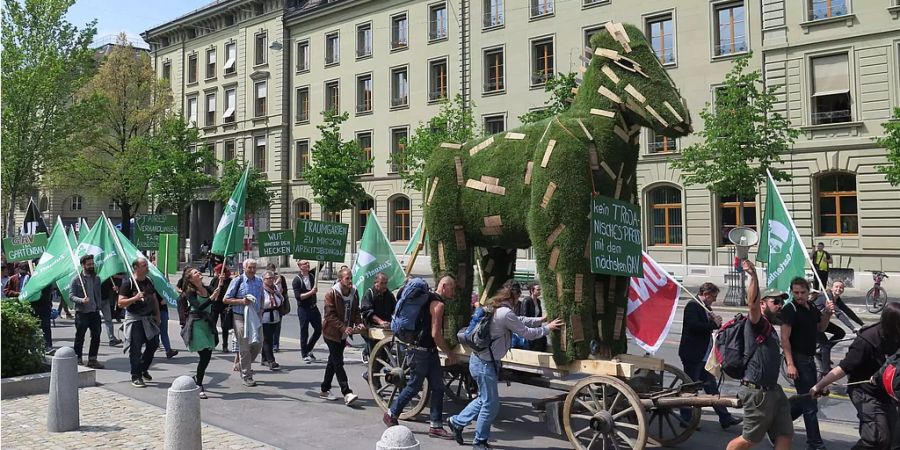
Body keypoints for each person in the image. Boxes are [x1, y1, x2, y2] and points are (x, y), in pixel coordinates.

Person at [448, 281, 563, 449]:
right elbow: (526, 333)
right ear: (514, 296)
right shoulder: (505, 313)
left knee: (484, 399)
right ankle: (479, 442)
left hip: (480, 361)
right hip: (485, 365)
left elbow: (519, 320)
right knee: (491, 405)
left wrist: (540, 320)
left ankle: (457, 422)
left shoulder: (497, 307)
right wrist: (548, 328)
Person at [810, 302, 900, 449]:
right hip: (864, 391)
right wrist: (820, 385)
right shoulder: (867, 340)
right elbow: (843, 367)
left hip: (886, 392)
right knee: (876, 437)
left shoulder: (896, 336)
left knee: (892, 437)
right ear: (892, 323)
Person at [726, 260, 792, 450]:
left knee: (785, 435)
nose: (780, 305)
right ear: (763, 304)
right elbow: (752, 306)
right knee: (749, 440)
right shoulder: (757, 323)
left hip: (773, 390)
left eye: (782, 302)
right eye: (776, 301)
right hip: (757, 392)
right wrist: (753, 276)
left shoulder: (770, 327)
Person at [383, 275, 458, 440]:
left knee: (438, 387)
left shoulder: (427, 299)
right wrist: (448, 352)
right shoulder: (438, 304)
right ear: (444, 286)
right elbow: (435, 334)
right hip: (421, 352)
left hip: (427, 351)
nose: (454, 292)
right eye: (452, 288)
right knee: (414, 386)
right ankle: (391, 413)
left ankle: (436, 426)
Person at [677, 282, 742, 429]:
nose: (713, 300)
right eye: (713, 297)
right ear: (706, 295)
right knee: (690, 387)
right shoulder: (692, 306)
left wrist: (716, 323)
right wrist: (713, 324)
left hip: (703, 356)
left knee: (712, 388)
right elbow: (694, 327)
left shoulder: (705, 308)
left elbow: (710, 327)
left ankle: (725, 418)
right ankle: (685, 418)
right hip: (693, 355)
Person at [781, 276, 833, 450]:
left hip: (810, 360)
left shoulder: (811, 307)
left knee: (804, 400)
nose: (799, 296)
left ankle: (778, 424)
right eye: (796, 292)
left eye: (803, 292)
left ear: (808, 291)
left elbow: (821, 328)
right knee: (810, 402)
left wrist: (827, 313)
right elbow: (784, 338)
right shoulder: (790, 309)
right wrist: (790, 364)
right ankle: (815, 443)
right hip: (798, 359)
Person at [320, 268, 364, 405]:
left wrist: (359, 323)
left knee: (332, 362)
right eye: (347, 278)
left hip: (344, 334)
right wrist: (344, 327)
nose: (350, 281)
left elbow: (356, 310)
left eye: (351, 278)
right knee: (338, 362)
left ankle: (324, 389)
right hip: (332, 333)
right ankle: (347, 392)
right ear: (340, 280)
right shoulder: (331, 294)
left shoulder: (354, 292)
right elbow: (330, 316)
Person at [118, 257, 161, 388]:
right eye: (144, 265)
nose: (147, 267)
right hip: (135, 319)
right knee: (135, 349)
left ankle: (143, 368)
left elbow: (154, 299)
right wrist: (134, 298)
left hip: (148, 319)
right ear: (136, 267)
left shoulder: (148, 281)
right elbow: (120, 302)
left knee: (153, 344)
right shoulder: (129, 283)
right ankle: (136, 376)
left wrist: (157, 315)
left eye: (146, 264)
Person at [178, 266, 218, 399]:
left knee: (207, 356)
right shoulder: (190, 292)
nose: (199, 272)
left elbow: (219, 293)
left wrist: (221, 281)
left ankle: (197, 378)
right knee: (205, 352)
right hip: (196, 324)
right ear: (190, 278)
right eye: (195, 272)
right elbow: (199, 306)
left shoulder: (208, 289)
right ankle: (199, 384)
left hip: (207, 324)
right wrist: (211, 299)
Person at [223, 258, 264, 387]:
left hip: (255, 317)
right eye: (250, 268)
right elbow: (226, 299)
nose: (252, 270)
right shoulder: (238, 280)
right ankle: (247, 375)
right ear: (244, 268)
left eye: (254, 268)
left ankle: (242, 364)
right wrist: (242, 301)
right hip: (239, 316)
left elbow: (262, 297)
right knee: (245, 346)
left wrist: (261, 311)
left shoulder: (259, 281)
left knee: (258, 343)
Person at [814, 280, 865, 378]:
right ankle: (826, 372)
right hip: (812, 323)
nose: (839, 289)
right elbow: (839, 313)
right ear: (831, 287)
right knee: (826, 345)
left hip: (822, 321)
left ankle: (821, 352)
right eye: (836, 287)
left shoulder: (836, 298)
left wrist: (862, 324)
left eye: (841, 287)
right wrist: (853, 328)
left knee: (840, 333)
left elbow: (847, 311)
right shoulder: (827, 296)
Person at [68, 255, 105, 369]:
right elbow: (71, 296)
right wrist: (81, 300)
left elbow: (98, 294)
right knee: (80, 336)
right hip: (82, 313)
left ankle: (92, 359)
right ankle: (78, 358)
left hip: (94, 312)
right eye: (88, 264)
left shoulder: (96, 278)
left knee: (96, 335)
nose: (91, 266)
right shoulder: (76, 279)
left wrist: (99, 305)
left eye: (92, 264)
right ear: (83, 265)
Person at [360, 272, 396, 359]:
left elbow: (395, 309)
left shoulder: (389, 295)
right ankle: (367, 353)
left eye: (386, 283)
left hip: (386, 327)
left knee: (385, 354)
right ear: (375, 283)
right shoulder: (370, 294)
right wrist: (380, 321)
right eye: (382, 283)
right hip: (371, 327)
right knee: (375, 355)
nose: (384, 286)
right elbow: (368, 312)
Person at [293, 259, 321, 363]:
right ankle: (304, 354)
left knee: (319, 329)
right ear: (300, 266)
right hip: (303, 309)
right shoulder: (297, 280)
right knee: (304, 332)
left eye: (308, 263)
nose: (307, 264)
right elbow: (298, 297)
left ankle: (309, 348)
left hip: (313, 308)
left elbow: (320, 264)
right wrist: (311, 292)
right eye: (305, 263)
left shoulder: (312, 275)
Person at [260, 270, 283, 370]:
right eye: (268, 278)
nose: (270, 280)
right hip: (265, 316)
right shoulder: (261, 289)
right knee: (267, 339)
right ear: (263, 279)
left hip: (275, 315)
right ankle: (271, 360)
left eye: (272, 278)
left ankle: (264, 359)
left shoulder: (275, 288)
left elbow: (281, 299)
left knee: (271, 338)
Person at [514, 283, 547, 351]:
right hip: (529, 327)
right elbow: (524, 317)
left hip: (536, 326)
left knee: (543, 340)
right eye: (537, 290)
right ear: (532, 291)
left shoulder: (538, 301)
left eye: (540, 290)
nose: (539, 291)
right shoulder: (526, 301)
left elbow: (539, 315)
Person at [208, 264, 233, 353]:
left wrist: (223, 284)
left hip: (225, 306)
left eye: (217, 272)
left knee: (224, 326)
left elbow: (230, 293)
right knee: (212, 324)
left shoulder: (230, 281)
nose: (216, 274)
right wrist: (219, 284)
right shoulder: (215, 280)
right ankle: (212, 342)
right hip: (215, 305)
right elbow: (211, 292)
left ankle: (225, 345)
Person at [266, 263, 288, 352]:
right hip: (268, 307)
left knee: (277, 326)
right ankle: (268, 344)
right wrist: (275, 283)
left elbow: (285, 290)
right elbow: (267, 289)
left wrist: (282, 290)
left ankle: (276, 344)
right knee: (268, 327)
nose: (271, 273)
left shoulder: (281, 278)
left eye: (273, 270)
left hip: (278, 306)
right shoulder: (265, 279)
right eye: (269, 270)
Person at [100, 275, 124, 346]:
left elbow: (112, 285)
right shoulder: (93, 277)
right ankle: (95, 336)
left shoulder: (107, 276)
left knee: (108, 320)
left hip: (105, 299)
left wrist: (115, 287)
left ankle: (112, 339)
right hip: (95, 301)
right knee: (95, 321)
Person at [32, 285, 54, 350]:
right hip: (34, 307)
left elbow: (49, 295)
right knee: (34, 328)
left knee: (46, 327)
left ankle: (48, 346)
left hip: (45, 307)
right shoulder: (32, 282)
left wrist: (50, 305)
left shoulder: (47, 283)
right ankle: (34, 346)